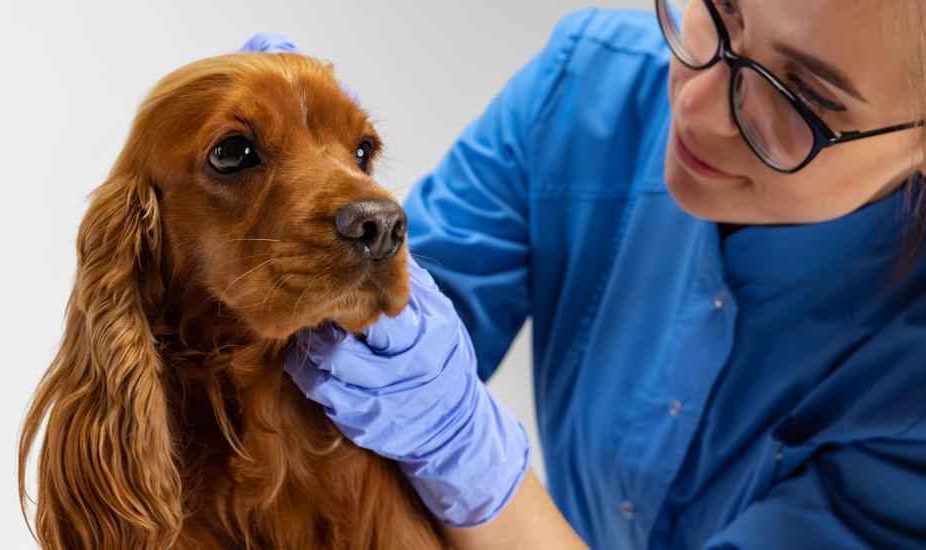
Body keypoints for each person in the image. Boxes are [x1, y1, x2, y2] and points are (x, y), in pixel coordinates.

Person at [242, 1, 926, 548]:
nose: (694, 108)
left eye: (800, 96)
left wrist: (467, 456)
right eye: (723, 12)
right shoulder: (579, 88)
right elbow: (326, 401)